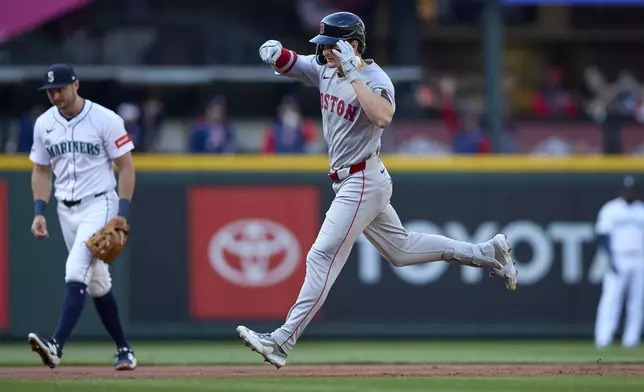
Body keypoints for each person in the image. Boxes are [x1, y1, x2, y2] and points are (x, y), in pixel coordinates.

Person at [236, 11, 518, 369]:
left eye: (329, 45)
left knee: (321, 256)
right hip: (353, 179)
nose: (323, 52)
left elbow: (383, 116)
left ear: (352, 45)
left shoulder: (374, 78)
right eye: (321, 46)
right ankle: (486, 252)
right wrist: (276, 54)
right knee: (401, 251)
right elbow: (297, 64)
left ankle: (282, 341)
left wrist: (353, 73)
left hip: (362, 179)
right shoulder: (327, 67)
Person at [27, 63, 137, 370]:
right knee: (98, 284)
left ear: (76, 85)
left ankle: (55, 345)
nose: (55, 95)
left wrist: (122, 215)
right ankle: (125, 349)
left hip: (99, 204)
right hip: (65, 208)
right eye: (50, 91)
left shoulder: (105, 119)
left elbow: (126, 167)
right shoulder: (44, 124)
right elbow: (41, 169)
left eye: (60, 88)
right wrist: (39, 211)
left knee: (75, 268)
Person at [594, 175, 644, 349]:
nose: (629, 192)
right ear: (621, 190)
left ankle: (631, 340)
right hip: (618, 257)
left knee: (637, 301)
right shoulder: (611, 209)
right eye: (626, 189)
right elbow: (603, 235)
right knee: (611, 298)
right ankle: (603, 338)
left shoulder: (641, 210)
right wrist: (610, 258)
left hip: (640, 258)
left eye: (632, 189)